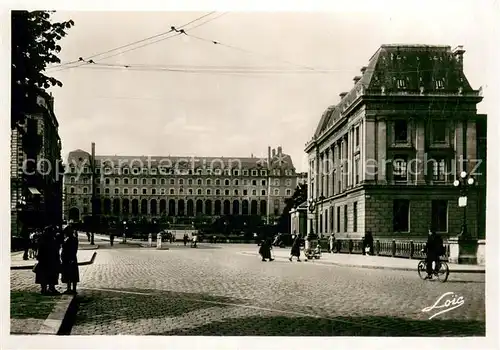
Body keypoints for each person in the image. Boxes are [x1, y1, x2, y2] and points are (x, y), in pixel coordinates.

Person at [35, 226, 61, 295]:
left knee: (49, 275)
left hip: (49, 261)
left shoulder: (50, 240)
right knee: (47, 275)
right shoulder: (47, 240)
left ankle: (49, 288)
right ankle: (46, 288)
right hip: (47, 261)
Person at [61, 225, 79, 294]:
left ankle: (70, 289)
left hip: (69, 258)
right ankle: (73, 289)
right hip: (70, 258)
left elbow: (72, 249)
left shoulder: (70, 239)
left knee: (69, 274)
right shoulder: (73, 239)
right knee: (73, 274)